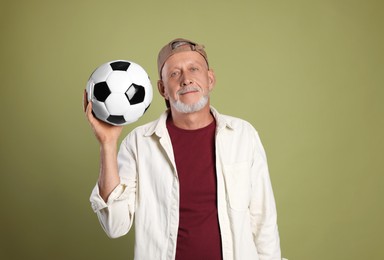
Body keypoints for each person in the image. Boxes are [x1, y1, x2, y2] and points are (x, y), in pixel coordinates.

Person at [84, 38, 282, 260]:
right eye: (174, 74)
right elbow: (115, 225)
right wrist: (108, 144)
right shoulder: (138, 143)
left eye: (194, 69)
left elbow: (263, 221)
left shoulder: (243, 135)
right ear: (162, 89)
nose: (186, 80)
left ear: (210, 79)